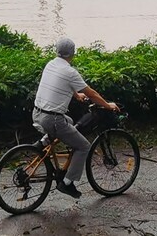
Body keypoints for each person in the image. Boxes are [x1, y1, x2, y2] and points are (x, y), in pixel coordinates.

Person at [32, 37, 119, 199]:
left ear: (57, 51)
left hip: (37, 114)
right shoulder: (70, 71)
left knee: (70, 122)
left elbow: (63, 83)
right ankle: (67, 183)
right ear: (72, 53)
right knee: (84, 146)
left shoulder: (51, 64)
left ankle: (42, 143)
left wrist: (76, 95)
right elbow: (91, 93)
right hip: (52, 120)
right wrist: (108, 105)